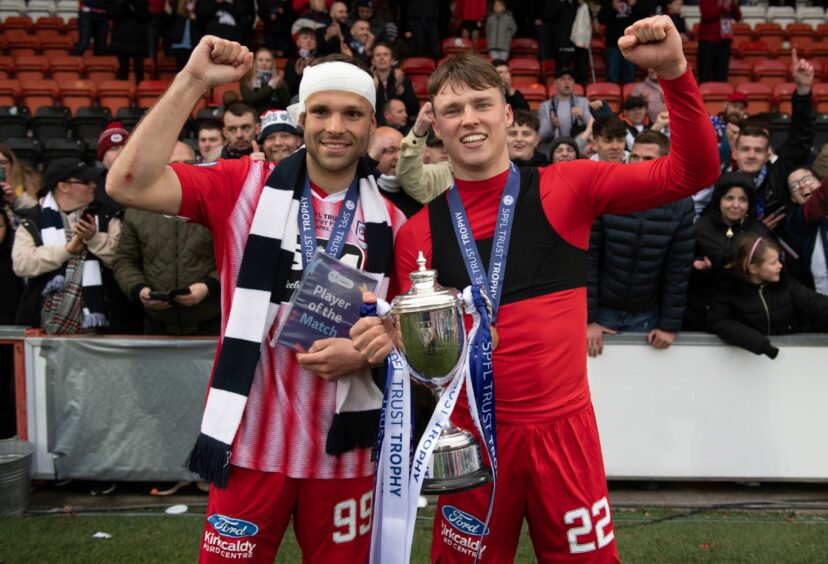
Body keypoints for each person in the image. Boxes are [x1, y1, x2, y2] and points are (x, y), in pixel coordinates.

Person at [352, 15, 719, 562]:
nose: (469, 120)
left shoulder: (567, 186)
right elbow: (418, 355)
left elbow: (693, 172)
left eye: (481, 104)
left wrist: (673, 72)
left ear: (507, 111)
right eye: (452, 110)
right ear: (437, 125)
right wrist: (386, 337)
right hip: (468, 441)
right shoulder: (416, 235)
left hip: (562, 435)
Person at [105, 39, 407, 561]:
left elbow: (405, 331)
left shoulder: (395, 224)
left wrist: (367, 350)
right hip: (249, 446)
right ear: (302, 117)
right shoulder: (241, 185)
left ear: (372, 125)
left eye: (352, 113)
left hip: (344, 454)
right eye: (322, 111)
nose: (335, 126)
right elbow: (127, 183)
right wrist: (193, 81)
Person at [586, 130, 695, 356]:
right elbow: (588, 261)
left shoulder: (681, 204)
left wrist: (668, 325)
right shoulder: (607, 193)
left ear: (665, 163)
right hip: (602, 312)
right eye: (635, 157)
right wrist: (587, 319)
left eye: (648, 159)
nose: (638, 164)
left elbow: (678, 270)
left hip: (646, 314)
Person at [113, 142, 221, 336]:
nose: (183, 168)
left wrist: (208, 287)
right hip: (156, 324)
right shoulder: (138, 209)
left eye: (188, 162)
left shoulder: (217, 203)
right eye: (174, 163)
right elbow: (125, 260)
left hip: (211, 322)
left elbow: (235, 257)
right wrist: (139, 290)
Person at [13, 159, 119, 334]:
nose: (93, 185)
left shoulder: (108, 216)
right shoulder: (33, 219)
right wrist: (67, 250)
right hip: (43, 324)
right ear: (63, 186)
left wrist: (94, 239)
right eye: (85, 182)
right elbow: (22, 264)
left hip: (101, 327)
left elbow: (122, 259)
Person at [708, 234, 828, 358]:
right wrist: (761, 344)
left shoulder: (785, 284)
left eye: (779, 260)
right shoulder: (729, 292)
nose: (780, 266)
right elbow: (720, 322)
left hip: (789, 358)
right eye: (773, 263)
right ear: (754, 269)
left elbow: (815, 303)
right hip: (750, 361)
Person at [684, 172, 775, 330]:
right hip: (703, 312)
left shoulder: (760, 232)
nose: (735, 205)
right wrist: (698, 268)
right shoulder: (700, 228)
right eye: (729, 198)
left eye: (742, 200)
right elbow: (682, 264)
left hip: (746, 314)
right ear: (718, 200)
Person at [781, 168, 828, 296]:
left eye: (807, 179)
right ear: (793, 198)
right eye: (794, 185)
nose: (802, 185)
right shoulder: (796, 223)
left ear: (821, 182)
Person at [366, 126, 422, 217]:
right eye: (390, 150)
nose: (399, 157)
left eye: (403, 150)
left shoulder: (417, 191)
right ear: (371, 153)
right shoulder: (359, 189)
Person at [599, 0, 655, 85]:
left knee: (630, 77)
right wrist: (612, 7)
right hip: (613, 44)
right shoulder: (610, 1)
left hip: (632, 44)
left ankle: (629, 97)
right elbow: (601, 19)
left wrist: (635, 4)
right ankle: (612, 98)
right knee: (611, 77)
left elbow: (647, 15)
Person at [538, 68, 593, 153]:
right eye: (563, 79)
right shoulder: (545, 106)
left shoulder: (584, 102)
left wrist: (583, 116)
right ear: (555, 83)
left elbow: (593, 127)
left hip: (579, 149)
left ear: (574, 83)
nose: (567, 82)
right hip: (553, 150)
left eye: (570, 79)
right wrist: (551, 125)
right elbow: (540, 135)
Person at [371, 43, 419, 129]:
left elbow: (414, 109)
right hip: (375, 127)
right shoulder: (368, 81)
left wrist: (400, 87)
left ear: (392, 60)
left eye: (385, 54)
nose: (382, 58)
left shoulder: (402, 80)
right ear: (373, 61)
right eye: (378, 55)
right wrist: (374, 88)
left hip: (400, 128)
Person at [697, 0, 741, 83]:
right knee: (705, 75)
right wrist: (724, 6)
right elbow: (707, 14)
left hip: (725, 41)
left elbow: (738, 17)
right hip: (708, 41)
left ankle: (720, 94)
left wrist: (734, 5)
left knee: (722, 75)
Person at [109, 0, 151, 85]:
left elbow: (146, 16)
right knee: (123, 69)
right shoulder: (118, 2)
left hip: (138, 40)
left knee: (139, 69)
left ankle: (140, 94)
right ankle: (122, 93)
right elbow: (111, 14)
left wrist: (133, 5)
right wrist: (125, 4)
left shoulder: (142, 2)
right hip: (121, 40)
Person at [239, 47, 291, 116]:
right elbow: (249, 100)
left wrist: (279, 85)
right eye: (260, 60)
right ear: (255, 61)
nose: (264, 63)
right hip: (255, 115)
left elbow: (287, 102)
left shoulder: (278, 78)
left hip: (278, 115)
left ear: (272, 63)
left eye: (268, 60)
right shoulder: (247, 77)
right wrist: (271, 87)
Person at [0, 144, 40, 213]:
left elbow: (35, 209)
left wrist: (16, 200)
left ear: (11, 165)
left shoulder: (27, 181)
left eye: (3, 163)